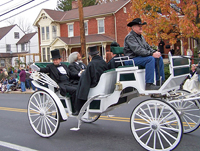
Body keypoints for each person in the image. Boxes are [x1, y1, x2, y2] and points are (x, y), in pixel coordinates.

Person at [123, 18, 165, 90]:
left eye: (141, 25)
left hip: (140, 58)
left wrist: (155, 52)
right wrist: (151, 54)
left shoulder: (141, 37)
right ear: (133, 27)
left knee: (159, 58)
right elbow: (138, 50)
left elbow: (148, 47)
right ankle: (149, 84)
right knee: (150, 59)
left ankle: (160, 81)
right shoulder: (130, 37)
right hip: (131, 59)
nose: (141, 27)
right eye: (138, 26)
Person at [73, 46, 108, 115]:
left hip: (96, 84)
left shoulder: (92, 63)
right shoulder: (103, 62)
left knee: (81, 84)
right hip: (102, 82)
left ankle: (79, 107)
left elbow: (88, 78)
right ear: (97, 53)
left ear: (90, 56)